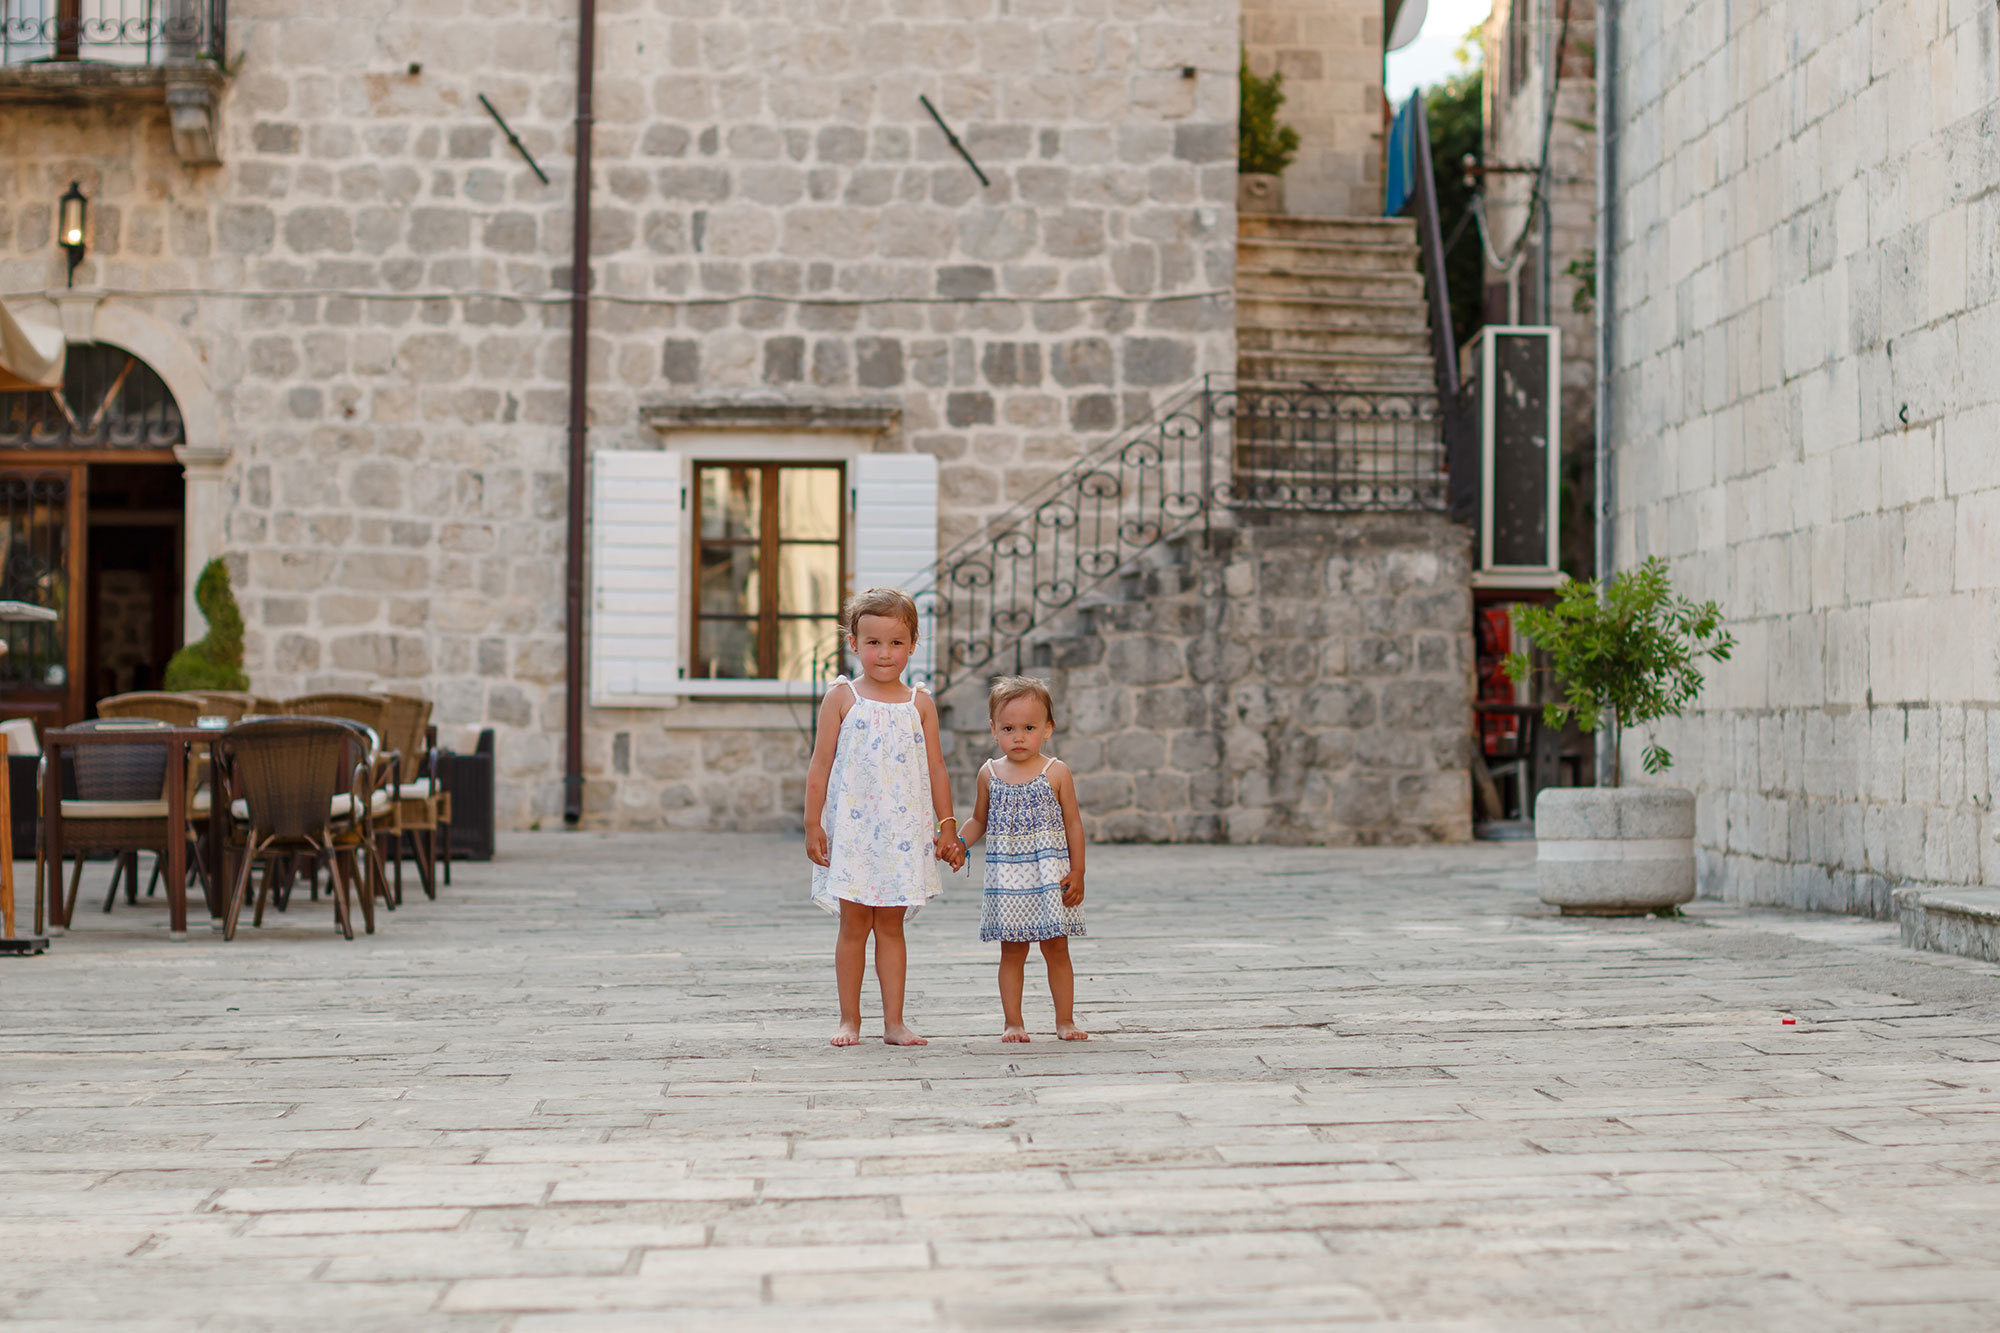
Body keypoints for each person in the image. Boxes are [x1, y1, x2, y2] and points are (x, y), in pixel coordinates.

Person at [804, 587, 965, 1047]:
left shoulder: (919, 704)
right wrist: (813, 823)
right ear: (853, 643)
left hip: (902, 835)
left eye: (896, 643)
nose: (885, 653)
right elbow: (820, 763)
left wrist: (947, 826)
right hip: (854, 833)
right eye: (873, 642)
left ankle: (894, 1023)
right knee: (854, 925)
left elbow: (937, 768)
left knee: (891, 927)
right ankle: (849, 1020)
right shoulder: (842, 697)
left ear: (913, 645)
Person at [956, 675, 1088, 1042]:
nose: (1018, 737)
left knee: (1057, 947)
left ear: (1047, 729)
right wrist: (959, 844)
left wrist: (1078, 870)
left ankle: (1065, 1020)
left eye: (1029, 728)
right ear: (993, 730)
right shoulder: (989, 774)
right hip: (1008, 880)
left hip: (1050, 876)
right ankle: (1013, 1022)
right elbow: (978, 820)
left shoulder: (1056, 772)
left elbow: (1073, 824)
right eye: (1008, 728)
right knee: (1012, 951)